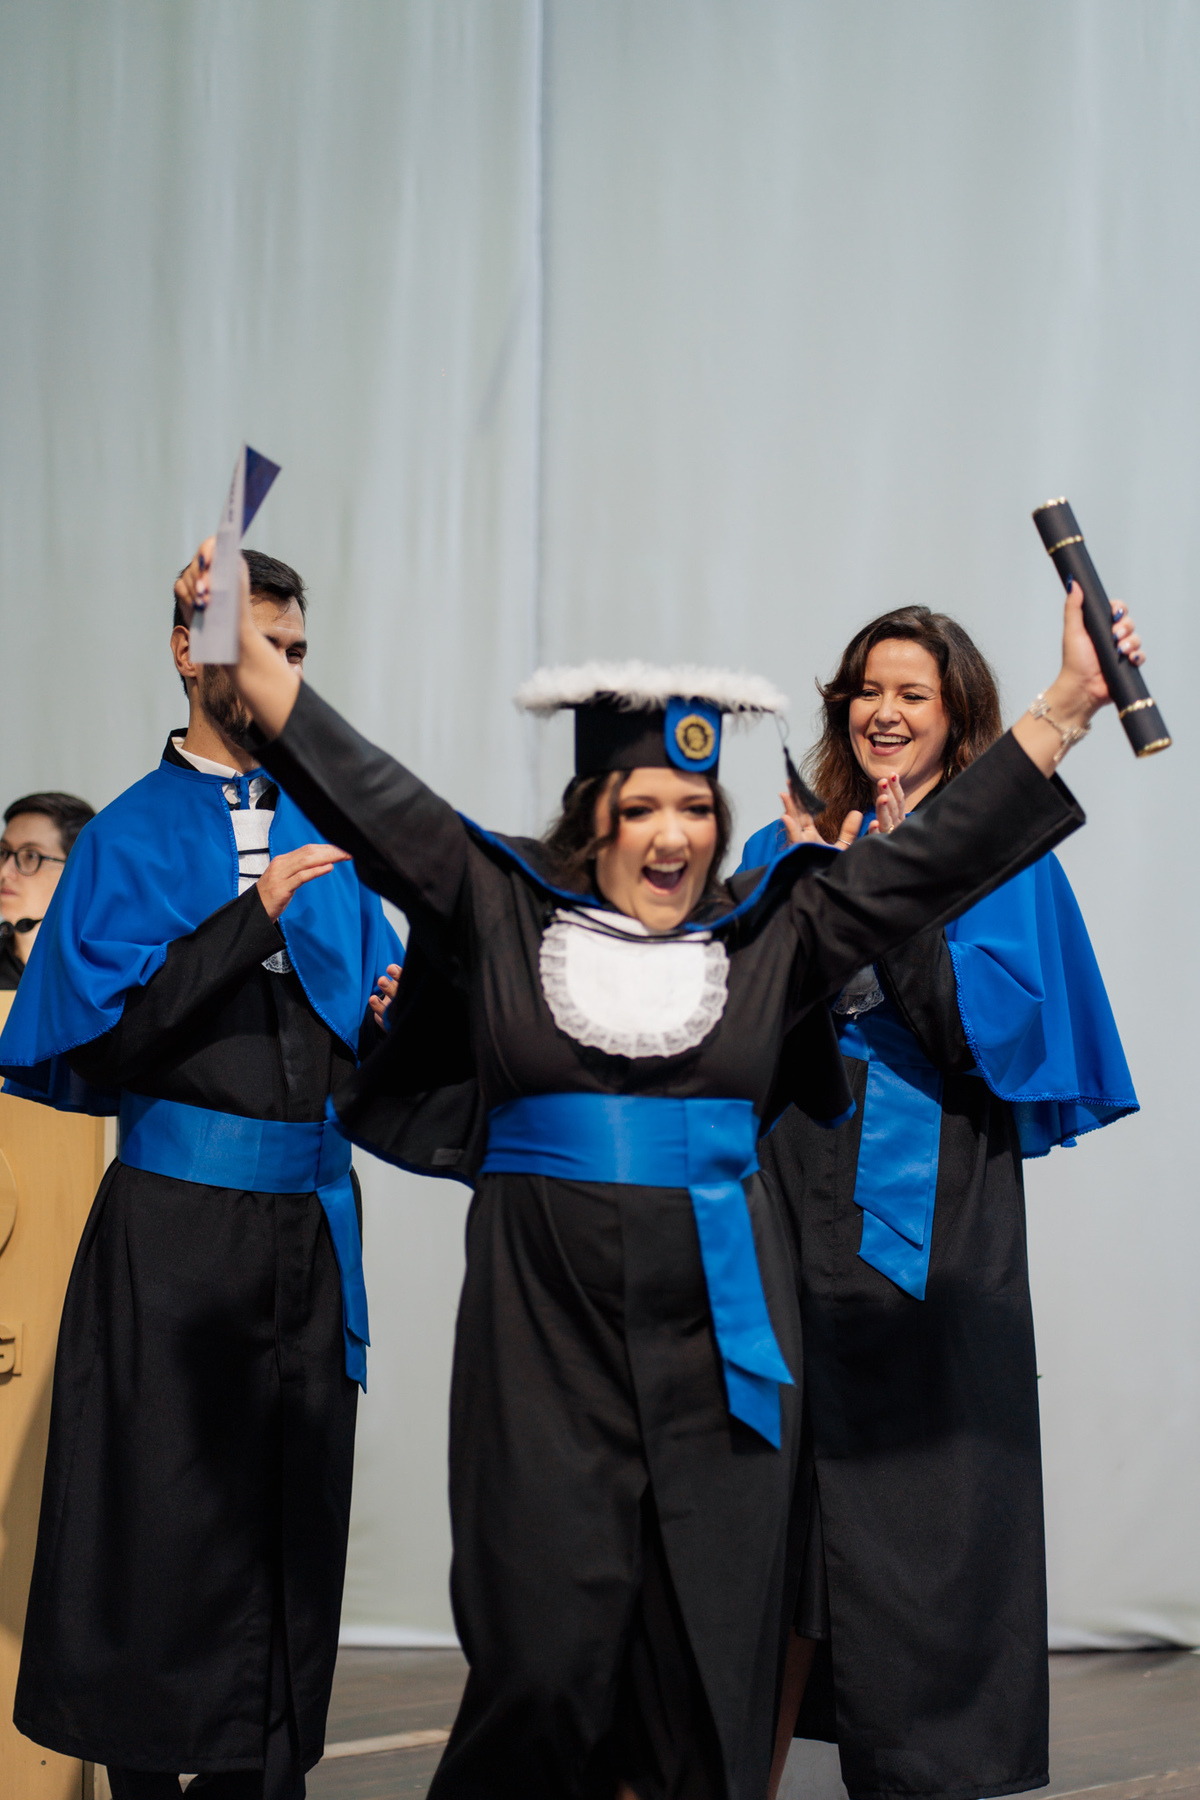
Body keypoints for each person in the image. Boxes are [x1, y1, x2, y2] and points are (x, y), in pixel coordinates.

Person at [174, 535, 1140, 1800]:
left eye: (697, 810)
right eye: (642, 810)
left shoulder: (771, 933)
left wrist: (1067, 704)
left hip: (723, 1361)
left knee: (707, 1678)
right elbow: (370, 790)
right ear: (594, 821)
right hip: (542, 1351)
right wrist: (237, 644)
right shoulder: (507, 905)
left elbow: (928, 865)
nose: (674, 836)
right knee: (541, 1665)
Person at [0, 550, 404, 1800]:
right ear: (190, 652)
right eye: (254, 644)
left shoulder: (325, 824)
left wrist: (392, 1007)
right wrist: (251, 919)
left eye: (294, 651)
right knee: (156, 1543)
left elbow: (365, 1038)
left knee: (286, 1537)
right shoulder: (126, 832)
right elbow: (105, 1039)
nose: (278, 671)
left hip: (305, 1239)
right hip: (169, 1245)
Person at [738, 606, 1139, 1800]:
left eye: (913, 691)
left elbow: (991, 1035)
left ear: (957, 712)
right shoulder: (791, 841)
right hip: (786, 1201)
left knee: (915, 1516)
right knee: (770, 1518)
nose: (885, 711)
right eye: (867, 688)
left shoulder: (998, 853)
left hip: (925, 1215)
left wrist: (902, 886)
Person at [0, 791, 95, 987]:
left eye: (31, 856)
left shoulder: (109, 970)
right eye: (3, 852)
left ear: (76, 871)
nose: (4, 872)